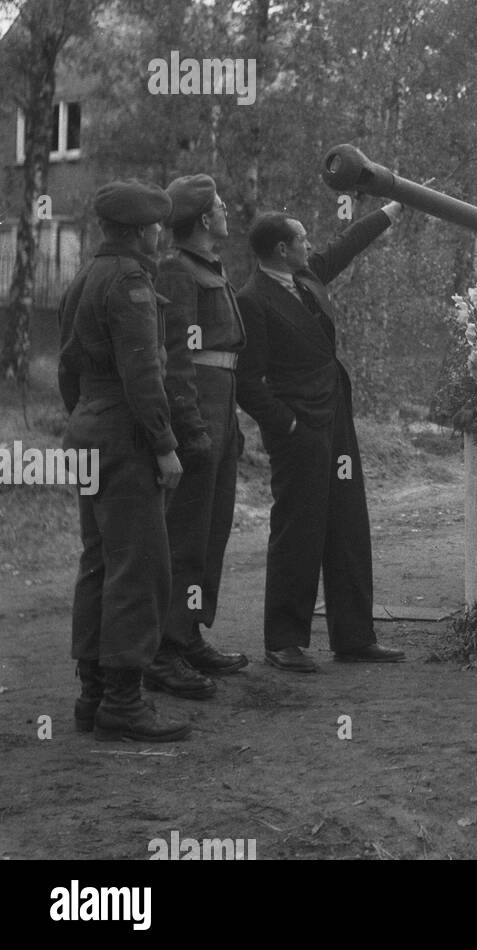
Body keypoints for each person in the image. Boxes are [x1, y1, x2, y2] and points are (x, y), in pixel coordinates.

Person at [235, 201, 406, 672]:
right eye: (302, 239)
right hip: (299, 430)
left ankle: (354, 637)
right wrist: (286, 426)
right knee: (298, 530)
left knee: (348, 525)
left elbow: (343, 247)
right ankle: (283, 641)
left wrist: (389, 211)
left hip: (335, 416)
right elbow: (247, 382)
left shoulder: (307, 276)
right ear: (282, 249)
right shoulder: (251, 300)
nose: (311, 245)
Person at [59, 181, 190, 742]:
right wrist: (163, 445)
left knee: (100, 564)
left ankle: (93, 695)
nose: (160, 235)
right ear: (140, 231)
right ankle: (123, 703)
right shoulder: (130, 282)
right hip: (124, 435)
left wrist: (87, 418)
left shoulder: (83, 279)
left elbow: (67, 370)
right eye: (156, 227)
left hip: (89, 427)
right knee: (138, 567)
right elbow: (143, 373)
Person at [148, 175, 249, 700]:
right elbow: (176, 360)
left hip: (220, 412)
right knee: (185, 537)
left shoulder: (210, 268)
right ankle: (162, 650)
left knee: (211, 535)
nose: (227, 208)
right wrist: (191, 429)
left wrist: (230, 426)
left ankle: (188, 634)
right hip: (198, 419)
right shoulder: (177, 272)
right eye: (219, 204)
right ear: (205, 219)